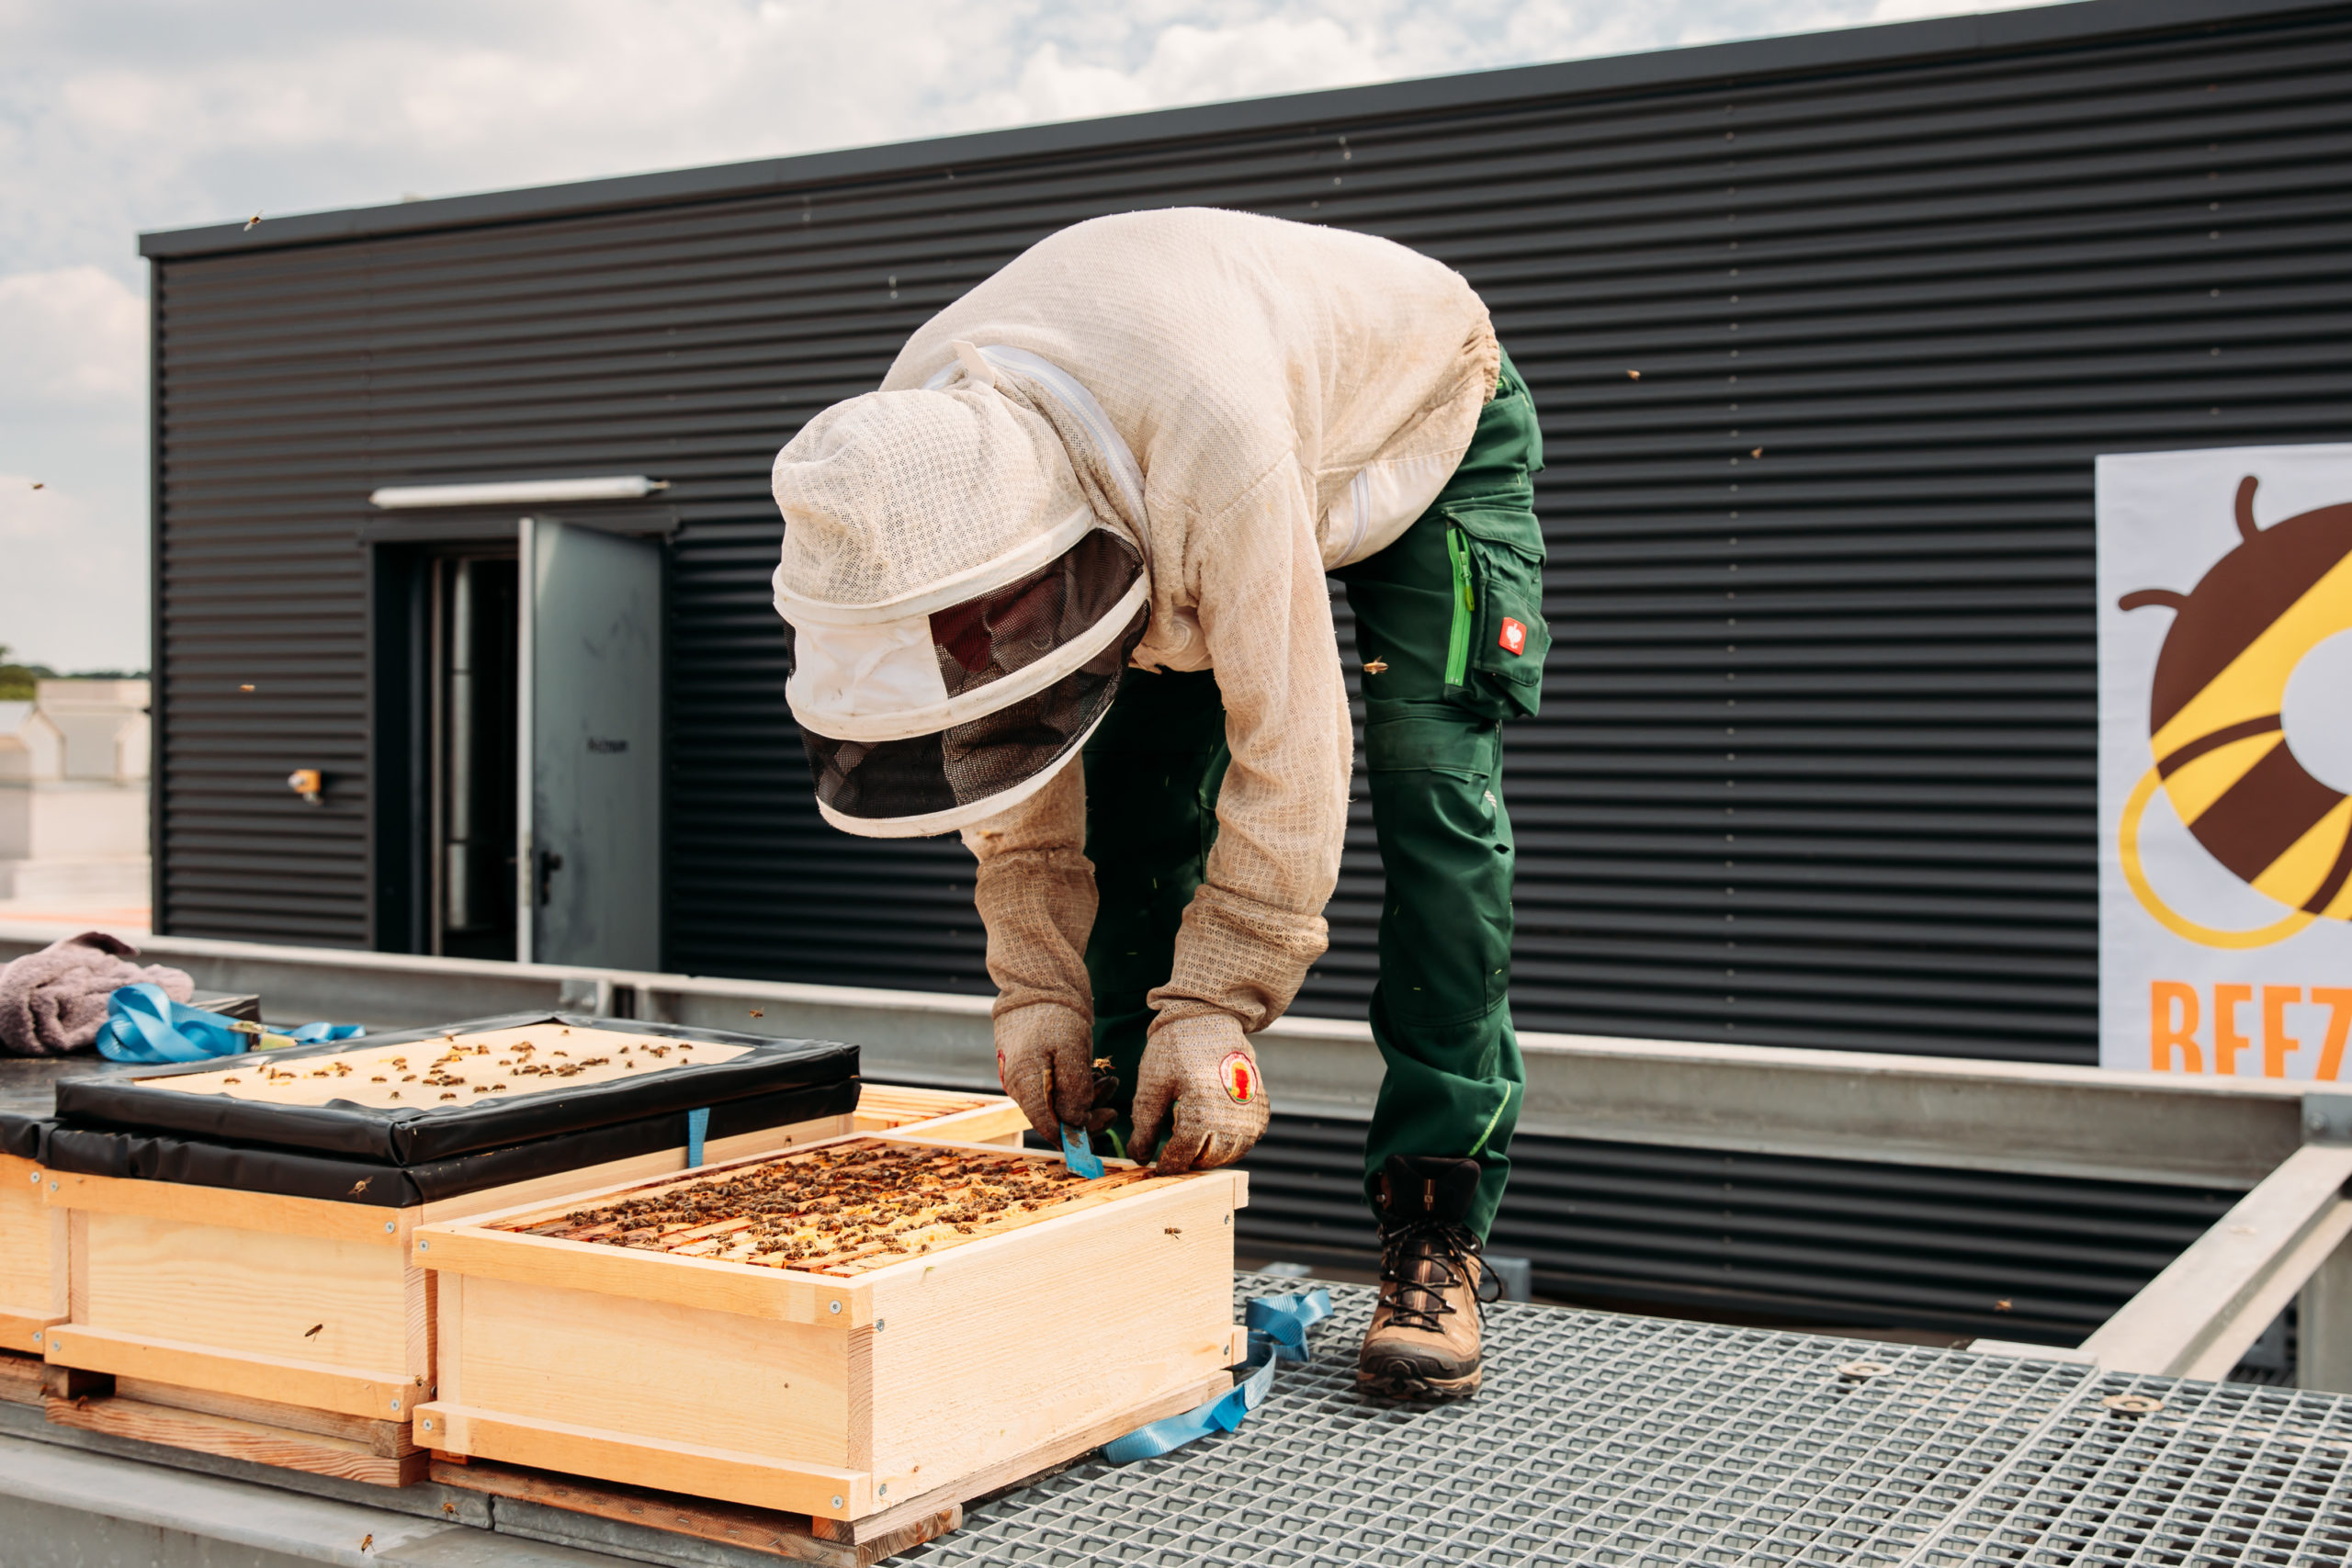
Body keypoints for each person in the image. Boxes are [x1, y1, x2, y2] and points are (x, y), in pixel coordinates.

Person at [768, 208, 1545, 1400]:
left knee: (1429, 794)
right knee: (1135, 823)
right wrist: (1038, 985)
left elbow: (1295, 745)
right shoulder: (905, 459)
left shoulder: (1215, 450)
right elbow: (1005, 736)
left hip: (1418, 413)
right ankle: (1136, 1214)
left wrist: (1218, 1002)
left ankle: (1436, 1223)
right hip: (1174, 439)